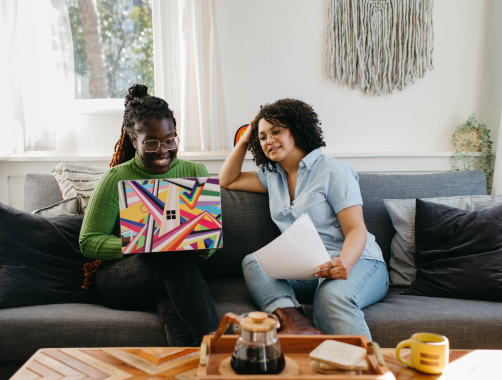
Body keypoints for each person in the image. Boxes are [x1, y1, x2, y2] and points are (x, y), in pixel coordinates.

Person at [219, 99, 388, 339]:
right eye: (263, 137)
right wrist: (246, 138)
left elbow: (356, 229)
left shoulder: (334, 171)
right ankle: (296, 326)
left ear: (297, 129)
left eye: (276, 131)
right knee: (254, 262)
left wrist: (345, 263)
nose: (269, 141)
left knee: (331, 296)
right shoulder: (272, 176)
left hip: (359, 263)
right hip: (310, 268)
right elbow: (228, 180)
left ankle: (364, 372)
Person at [79, 84, 218, 346]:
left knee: (172, 300)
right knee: (170, 255)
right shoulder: (117, 177)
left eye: (170, 140)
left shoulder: (195, 171)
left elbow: (209, 231)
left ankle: (193, 365)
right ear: (134, 141)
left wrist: (203, 249)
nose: (163, 150)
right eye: (151, 142)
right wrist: (144, 244)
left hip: (176, 275)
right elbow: (88, 241)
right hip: (121, 278)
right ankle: (216, 345)